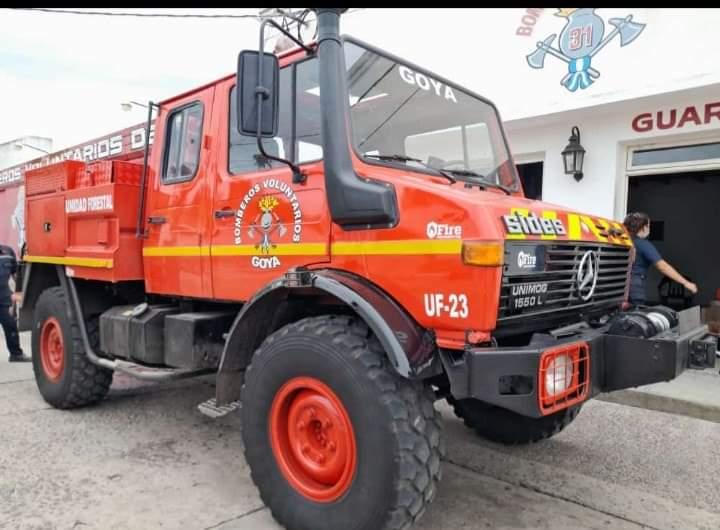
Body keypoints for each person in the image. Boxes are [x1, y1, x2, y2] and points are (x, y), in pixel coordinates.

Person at [623, 212, 698, 306]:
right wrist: (686, 283)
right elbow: (663, 266)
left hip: (617, 287)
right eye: (649, 226)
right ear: (644, 227)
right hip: (634, 288)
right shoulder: (642, 244)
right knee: (633, 317)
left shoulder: (621, 241)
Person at [0, 244, 30, 362]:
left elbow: (15, 275)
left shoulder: (8, 251)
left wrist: (20, 294)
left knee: (11, 326)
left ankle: (16, 354)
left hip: (4, 298)